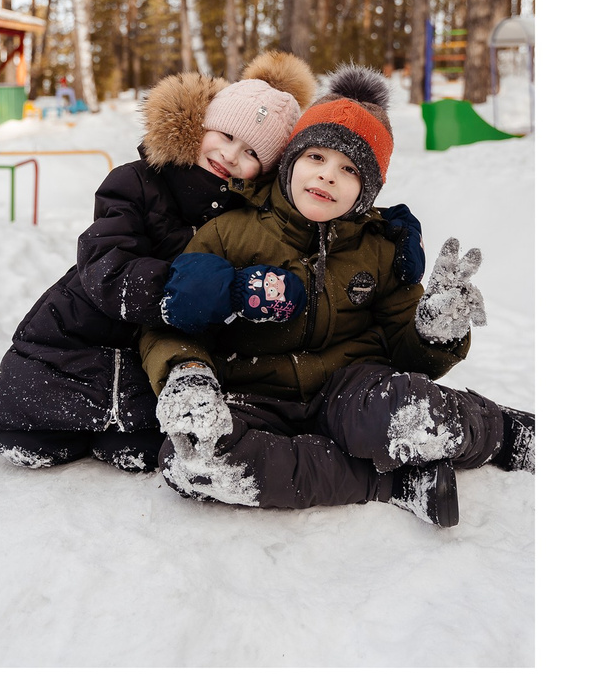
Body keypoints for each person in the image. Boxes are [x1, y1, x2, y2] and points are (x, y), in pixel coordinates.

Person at [141, 66, 531, 524]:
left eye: (349, 170)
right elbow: (173, 321)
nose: (328, 177)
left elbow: (409, 353)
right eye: (316, 158)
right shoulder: (227, 234)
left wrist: (434, 331)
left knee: (412, 411)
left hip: (352, 389)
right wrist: (187, 373)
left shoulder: (380, 248)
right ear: (290, 162)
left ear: (368, 191)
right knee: (194, 461)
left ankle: (509, 432)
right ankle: (394, 483)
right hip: (253, 391)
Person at [0, 51, 316, 473]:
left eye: (251, 153)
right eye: (224, 135)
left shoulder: (243, 216)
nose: (230, 155)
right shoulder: (136, 180)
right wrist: (175, 289)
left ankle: (116, 425)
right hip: (88, 321)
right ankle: (69, 422)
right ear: (200, 125)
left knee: (147, 439)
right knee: (23, 425)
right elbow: (105, 260)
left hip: (159, 345)